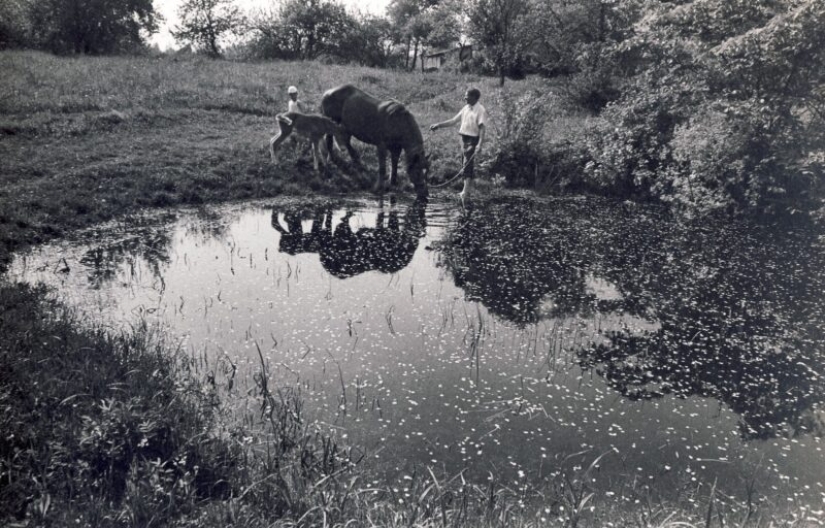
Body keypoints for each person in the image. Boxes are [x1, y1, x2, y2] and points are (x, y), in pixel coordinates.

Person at [429, 88, 487, 204]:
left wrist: (479, 144)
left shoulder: (481, 110)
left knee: (467, 163)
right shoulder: (466, 108)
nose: (465, 98)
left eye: (467, 96)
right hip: (463, 138)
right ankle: (466, 190)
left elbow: (482, 129)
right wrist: (438, 125)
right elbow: (453, 120)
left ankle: (465, 191)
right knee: (464, 162)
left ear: (475, 97)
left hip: (472, 139)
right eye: (465, 96)